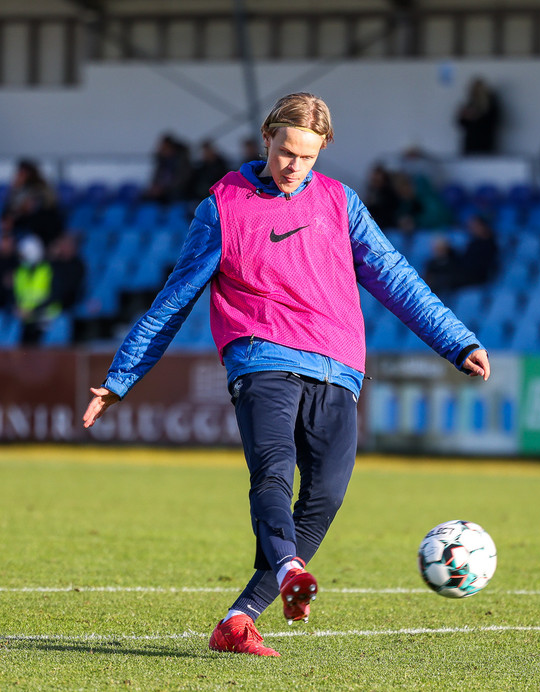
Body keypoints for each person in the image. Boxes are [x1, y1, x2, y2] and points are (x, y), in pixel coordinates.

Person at [82, 92, 490, 658]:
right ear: (267, 138)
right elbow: (174, 300)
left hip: (338, 366)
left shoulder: (340, 202)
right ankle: (290, 567)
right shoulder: (222, 206)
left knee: (326, 495)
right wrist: (122, 377)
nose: (294, 165)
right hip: (261, 357)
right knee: (273, 471)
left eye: (308, 156)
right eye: (286, 152)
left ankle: (239, 619)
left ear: (322, 151)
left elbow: (394, 276)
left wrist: (455, 339)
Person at [1, 159, 65, 247]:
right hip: (21, 230)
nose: (18, 176)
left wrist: (18, 215)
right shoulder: (15, 192)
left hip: (41, 232)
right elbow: (9, 213)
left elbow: (33, 212)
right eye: (19, 173)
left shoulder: (41, 191)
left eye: (22, 174)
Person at [456, 77, 500, 155]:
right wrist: (465, 116)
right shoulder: (470, 104)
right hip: (471, 143)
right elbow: (461, 123)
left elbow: (492, 122)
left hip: (485, 143)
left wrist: (476, 116)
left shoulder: (491, 106)